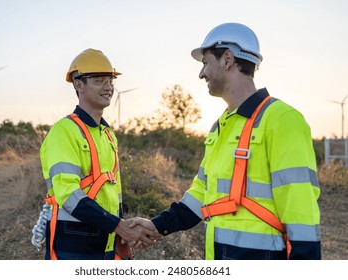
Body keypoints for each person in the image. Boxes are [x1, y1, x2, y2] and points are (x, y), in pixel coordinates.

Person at [130, 22, 321, 260]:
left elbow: (300, 205)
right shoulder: (220, 126)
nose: (201, 73)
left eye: (205, 63)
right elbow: (202, 192)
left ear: (228, 59)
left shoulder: (282, 119)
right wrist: (157, 225)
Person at [33, 48, 161, 260]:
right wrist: (119, 226)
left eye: (110, 80)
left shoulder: (107, 134)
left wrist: (120, 233)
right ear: (78, 84)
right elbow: (67, 194)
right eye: (99, 81)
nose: (108, 87)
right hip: (74, 241)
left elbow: (113, 192)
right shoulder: (64, 131)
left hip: (107, 237)